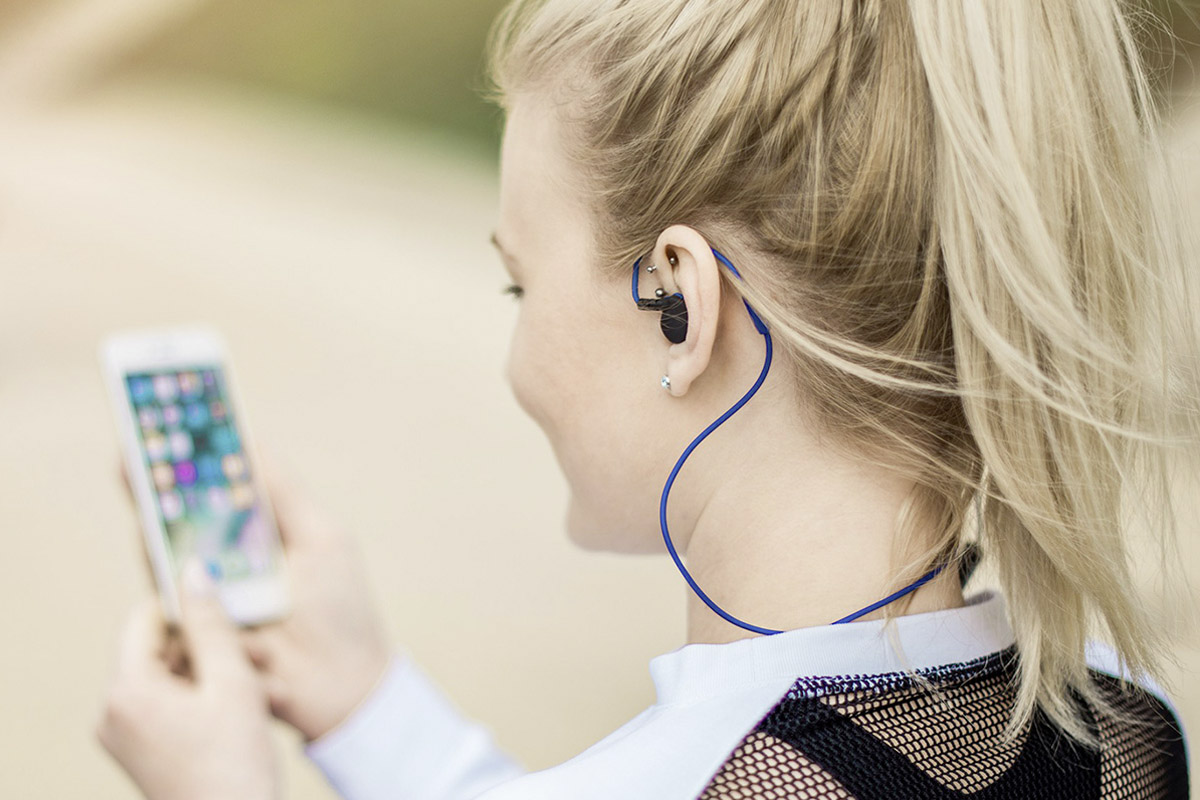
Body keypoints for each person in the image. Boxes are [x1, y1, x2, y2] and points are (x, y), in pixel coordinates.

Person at [94, 0, 1199, 798]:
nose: (514, 350)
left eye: (518, 282)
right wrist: (363, 700)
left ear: (683, 300)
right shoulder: (1130, 725)